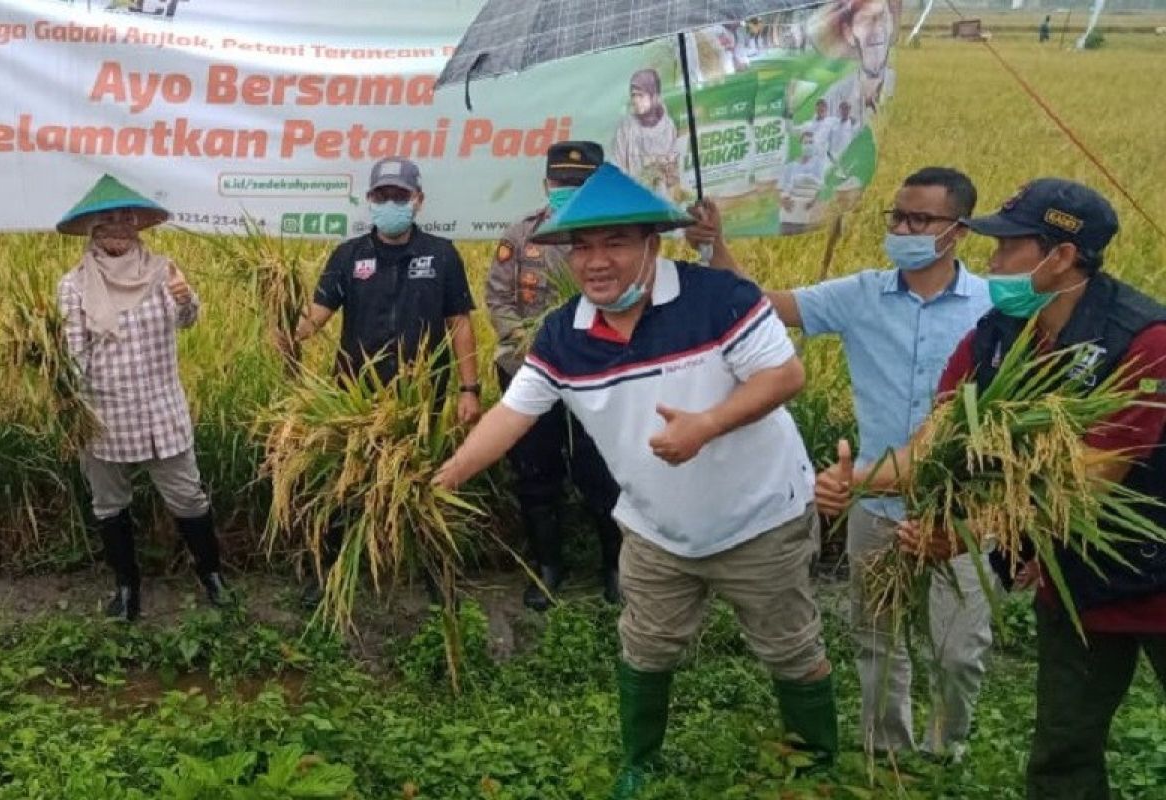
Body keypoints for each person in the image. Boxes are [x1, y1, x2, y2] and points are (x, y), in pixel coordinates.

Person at [433, 164, 837, 799]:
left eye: (615, 242)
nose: (595, 262)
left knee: (790, 647)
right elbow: (513, 413)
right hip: (655, 530)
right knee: (645, 649)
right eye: (581, 247)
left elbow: (783, 377)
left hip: (760, 519)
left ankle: (816, 764)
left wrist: (705, 424)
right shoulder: (564, 334)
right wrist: (445, 477)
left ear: (653, 243)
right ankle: (640, 764)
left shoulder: (717, 298)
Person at [818, 178, 1166, 799]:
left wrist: (966, 533)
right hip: (1076, 581)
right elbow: (933, 444)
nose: (992, 261)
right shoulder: (997, 334)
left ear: (1059, 257)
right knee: (1062, 753)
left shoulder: (1143, 341)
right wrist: (860, 479)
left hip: (1157, 569)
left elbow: (1084, 481)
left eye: (1009, 248)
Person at [689, 167, 995, 760]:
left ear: (957, 231)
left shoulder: (992, 306)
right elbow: (761, 306)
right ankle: (887, 751)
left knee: (959, 649)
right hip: (874, 502)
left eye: (920, 219)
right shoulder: (861, 294)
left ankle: (946, 748)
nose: (903, 228)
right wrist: (713, 245)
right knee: (878, 638)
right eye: (897, 216)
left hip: (960, 511)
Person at [288, 156, 481, 605]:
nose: (390, 203)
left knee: (428, 484)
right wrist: (286, 325)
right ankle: (331, 574)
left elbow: (460, 324)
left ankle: (436, 577)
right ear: (370, 201)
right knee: (345, 484)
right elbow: (315, 318)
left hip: (423, 400)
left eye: (400, 195)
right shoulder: (349, 256)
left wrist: (469, 390)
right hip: (355, 400)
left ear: (418, 200)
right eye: (382, 196)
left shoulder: (441, 254)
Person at [55, 174, 232, 622]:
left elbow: (188, 319)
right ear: (93, 229)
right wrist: (67, 402)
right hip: (102, 413)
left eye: (124, 219)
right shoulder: (73, 285)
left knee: (188, 496)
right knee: (109, 503)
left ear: (137, 225)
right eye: (106, 221)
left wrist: (186, 297)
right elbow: (73, 351)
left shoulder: (164, 271)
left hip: (160, 409)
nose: (117, 228)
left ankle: (211, 575)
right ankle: (126, 588)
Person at [486, 141, 622, 609]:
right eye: (562, 184)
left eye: (581, 185)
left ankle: (615, 567)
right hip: (529, 372)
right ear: (547, 185)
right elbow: (498, 299)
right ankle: (548, 567)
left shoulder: (615, 239)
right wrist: (529, 340)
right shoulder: (522, 235)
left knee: (601, 469)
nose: (569, 192)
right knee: (534, 471)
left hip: (598, 374)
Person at [612, 69, 680, 198]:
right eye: (633, 95)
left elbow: (672, 173)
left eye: (640, 95)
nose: (636, 100)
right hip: (634, 201)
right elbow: (618, 168)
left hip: (662, 203)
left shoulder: (668, 126)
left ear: (654, 95)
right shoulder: (626, 127)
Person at [777, 131, 826, 234]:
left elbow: (820, 188)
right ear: (800, 145)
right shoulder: (789, 167)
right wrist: (782, 202)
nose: (808, 145)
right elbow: (779, 189)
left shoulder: (818, 166)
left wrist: (813, 202)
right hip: (787, 216)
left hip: (804, 216)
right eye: (806, 142)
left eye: (811, 142)